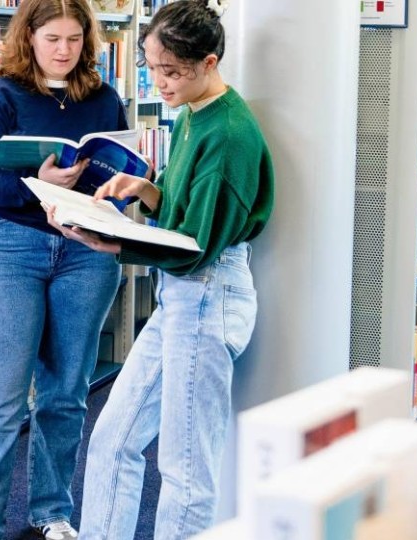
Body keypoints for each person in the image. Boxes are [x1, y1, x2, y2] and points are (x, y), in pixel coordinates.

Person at [61, 1, 271, 537]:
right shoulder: (192, 114)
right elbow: (183, 214)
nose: (159, 82)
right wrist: (148, 190)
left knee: (185, 470)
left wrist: (115, 245)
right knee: (112, 438)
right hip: (181, 294)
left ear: (209, 61)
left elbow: (197, 244)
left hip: (206, 293)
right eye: (151, 67)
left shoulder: (227, 134)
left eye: (172, 71)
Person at [0, 0, 128, 538]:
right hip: (12, 249)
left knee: (66, 392)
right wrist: (44, 187)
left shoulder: (104, 99)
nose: (64, 50)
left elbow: (119, 174)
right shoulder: (2, 96)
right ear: (28, 37)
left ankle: (52, 512)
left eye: (75, 39)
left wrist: (116, 192)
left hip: (86, 251)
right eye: (53, 38)